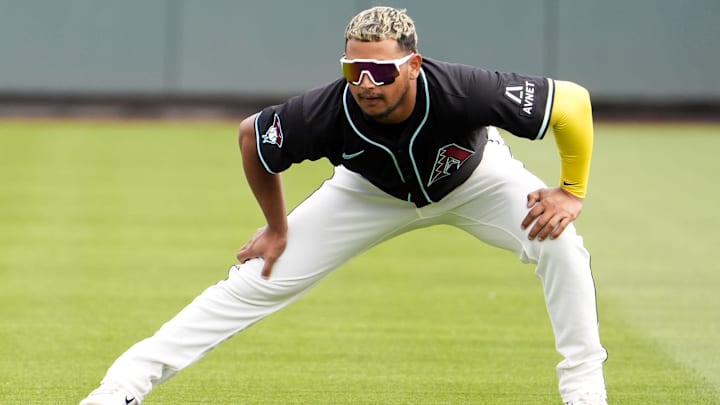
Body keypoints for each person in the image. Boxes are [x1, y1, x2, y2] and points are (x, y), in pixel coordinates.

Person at [80, 6, 608, 405]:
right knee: (259, 277)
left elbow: (572, 102)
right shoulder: (328, 110)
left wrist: (571, 191)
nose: (365, 84)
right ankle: (122, 387)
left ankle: (585, 391)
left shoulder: (465, 90)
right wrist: (275, 226)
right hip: (367, 192)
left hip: (474, 178)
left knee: (558, 241)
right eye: (354, 69)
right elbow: (252, 139)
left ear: (414, 65)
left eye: (380, 71)